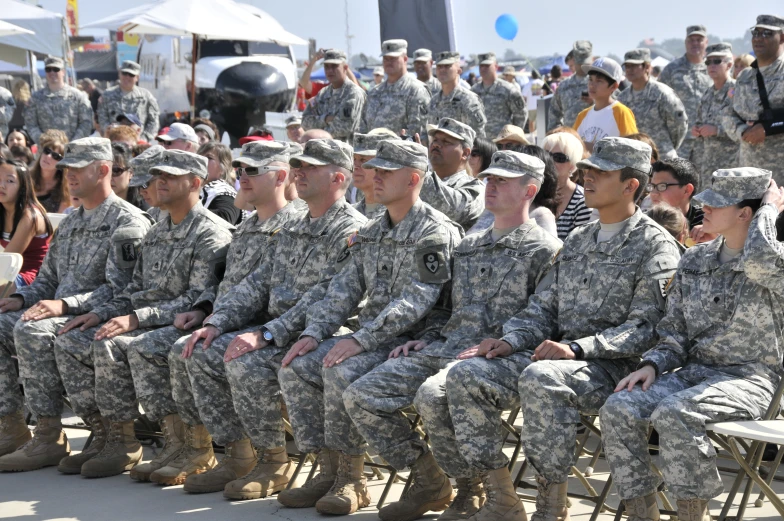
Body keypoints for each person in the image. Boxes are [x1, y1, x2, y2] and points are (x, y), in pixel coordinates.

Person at [442, 137, 680, 521]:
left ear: (630, 185)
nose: (587, 179)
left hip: (615, 367)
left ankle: (550, 507)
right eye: (587, 171)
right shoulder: (580, 240)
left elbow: (647, 327)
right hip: (560, 358)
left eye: (600, 173)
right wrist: (510, 339)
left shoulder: (655, 246)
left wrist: (579, 349)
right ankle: (501, 497)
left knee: (541, 377)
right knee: (468, 374)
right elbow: (543, 306)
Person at [345, 151, 562, 521]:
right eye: (489, 178)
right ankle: (432, 480)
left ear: (529, 190)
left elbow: (549, 317)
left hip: (504, 357)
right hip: (448, 348)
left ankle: (491, 495)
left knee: (432, 395)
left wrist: (509, 340)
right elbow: (446, 308)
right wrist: (428, 335)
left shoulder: (545, 249)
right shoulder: (468, 246)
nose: (490, 185)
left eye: (502, 181)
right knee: (362, 394)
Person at [276, 140, 461, 516]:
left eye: (384, 173)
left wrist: (360, 340)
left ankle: (404, 478)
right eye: (373, 170)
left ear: (412, 179)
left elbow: (418, 300)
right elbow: (340, 292)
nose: (373, 178)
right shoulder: (373, 231)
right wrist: (313, 333)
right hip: (377, 338)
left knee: (341, 371)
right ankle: (328, 470)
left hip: (420, 341)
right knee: (299, 365)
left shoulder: (434, 232)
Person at [172, 138, 365, 497]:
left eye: (310, 167)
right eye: (298, 166)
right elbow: (257, 284)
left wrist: (267, 334)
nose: (299, 172)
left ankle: (312, 468)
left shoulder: (352, 229)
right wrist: (217, 321)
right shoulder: (295, 224)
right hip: (280, 330)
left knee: (248, 362)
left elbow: (326, 297)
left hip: (326, 333)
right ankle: (242, 455)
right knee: (201, 349)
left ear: (338, 178)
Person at [600, 168, 784, 521]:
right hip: (696, 374)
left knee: (677, 413)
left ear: (746, 213)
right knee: (619, 406)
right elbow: (675, 332)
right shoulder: (696, 259)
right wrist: (651, 365)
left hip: (752, 379)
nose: (705, 210)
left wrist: (769, 210)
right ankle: (643, 512)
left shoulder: (773, 262)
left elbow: (760, 260)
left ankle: (691, 515)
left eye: (717, 205)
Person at [53, 149, 234, 479]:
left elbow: (197, 301)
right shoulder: (157, 230)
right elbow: (132, 292)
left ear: (195, 182)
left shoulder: (211, 233)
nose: (159, 182)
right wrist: (101, 314)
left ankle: (191, 447)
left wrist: (137, 319)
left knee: (139, 346)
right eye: (158, 176)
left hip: (182, 324)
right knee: (77, 336)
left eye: (170, 177)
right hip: (150, 320)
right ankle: (115, 437)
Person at [128, 143, 300, 488]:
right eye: (239, 168)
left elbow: (263, 292)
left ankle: (270, 460)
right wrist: (202, 310)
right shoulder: (249, 227)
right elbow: (223, 282)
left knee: (202, 352)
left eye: (252, 170)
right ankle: (212, 450)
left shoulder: (294, 226)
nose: (242, 177)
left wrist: (219, 322)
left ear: (280, 177)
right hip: (232, 322)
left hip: (271, 329)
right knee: (181, 348)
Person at [0, 137, 152, 470]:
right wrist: (20, 297)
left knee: (33, 332)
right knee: (3, 323)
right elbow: (47, 279)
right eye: (67, 169)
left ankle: (61, 433)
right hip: (62, 311)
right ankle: (12, 426)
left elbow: (122, 290)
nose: (68, 176)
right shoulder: (71, 222)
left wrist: (66, 305)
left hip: (102, 315)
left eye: (78, 169)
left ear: (103, 170)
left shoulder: (127, 223)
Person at [726, 15, 784, 184]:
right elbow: (727, 113)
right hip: (748, 172)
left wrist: (767, 128)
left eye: (766, 33)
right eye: (756, 32)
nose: (758, 38)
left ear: (781, 37)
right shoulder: (745, 76)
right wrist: (742, 131)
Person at [618, 48, 688, 159]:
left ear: (647, 67)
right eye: (627, 66)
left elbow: (679, 125)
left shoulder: (662, 93)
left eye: (634, 66)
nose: (629, 70)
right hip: (634, 158)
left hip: (662, 157)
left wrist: (667, 146)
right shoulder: (622, 98)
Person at [359, 39, 430, 141]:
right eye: (386, 58)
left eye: (393, 58)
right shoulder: (374, 92)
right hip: (372, 154)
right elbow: (363, 129)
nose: (388, 62)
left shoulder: (416, 91)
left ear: (405, 59)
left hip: (401, 155)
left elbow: (419, 135)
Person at [658, 26, 712, 160]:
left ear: (706, 42)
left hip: (707, 140)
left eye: (699, 40)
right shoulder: (672, 69)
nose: (695, 43)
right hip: (679, 140)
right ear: (685, 42)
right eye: (691, 40)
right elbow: (659, 102)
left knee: (706, 180)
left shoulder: (713, 68)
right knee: (678, 179)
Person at [424, 117, 486, 230]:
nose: (436, 145)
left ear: (465, 153)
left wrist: (419, 170)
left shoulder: (475, 187)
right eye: (435, 140)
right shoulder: (415, 178)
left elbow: (455, 210)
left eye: (446, 142)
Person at [0, 158, 52, 287]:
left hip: (33, 278)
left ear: (22, 187)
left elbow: (7, 261)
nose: (2, 185)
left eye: (10, 181)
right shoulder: (2, 210)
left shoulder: (29, 217)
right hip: (9, 274)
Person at [693, 43, 739, 186]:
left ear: (729, 65)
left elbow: (749, 127)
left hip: (732, 165)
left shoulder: (739, 90)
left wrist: (717, 130)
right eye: (708, 62)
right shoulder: (707, 94)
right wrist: (697, 129)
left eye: (717, 61)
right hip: (708, 165)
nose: (711, 65)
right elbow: (700, 120)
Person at [302, 49, 366, 144]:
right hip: (322, 153)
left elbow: (343, 127)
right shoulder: (323, 93)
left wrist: (317, 127)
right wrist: (326, 119)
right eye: (326, 66)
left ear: (345, 67)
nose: (330, 70)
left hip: (346, 155)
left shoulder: (353, 93)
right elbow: (304, 123)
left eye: (334, 66)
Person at [24, 57, 93, 144]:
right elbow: (31, 124)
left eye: (56, 69)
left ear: (63, 72)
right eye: (48, 69)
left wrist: (72, 144)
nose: (52, 72)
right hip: (46, 151)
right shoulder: (35, 98)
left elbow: (86, 123)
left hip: (72, 151)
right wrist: (45, 142)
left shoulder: (78, 96)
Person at [574, 58, 638, 150]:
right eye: (590, 79)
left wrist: (590, 147)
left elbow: (632, 149)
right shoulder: (582, 115)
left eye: (599, 81)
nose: (592, 85)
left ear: (614, 86)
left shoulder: (621, 112)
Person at [542, 131, 592, 239]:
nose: (550, 161)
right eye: (546, 155)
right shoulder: (532, 192)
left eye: (559, 158)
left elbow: (580, 245)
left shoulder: (582, 201)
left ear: (573, 165)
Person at [97, 60, 160, 142]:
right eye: (124, 73)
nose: (127, 77)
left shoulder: (146, 96)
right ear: (119, 74)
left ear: (137, 77)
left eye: (131, 75)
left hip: (138, 142)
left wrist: (144, 139)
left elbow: (153, 120)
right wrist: (110, 133)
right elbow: (102, 118)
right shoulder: (107, 95)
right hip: (115, 142)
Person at [428, 52, 487, 138]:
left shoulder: (469, 100)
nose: (442, 70)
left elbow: (478, 137)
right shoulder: (433, 101)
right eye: (439, 66)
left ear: (458, 70)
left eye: (447, 66)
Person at [472, 52, 528, 138]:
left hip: (502, 142)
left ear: (496, 67)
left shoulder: (508, 89)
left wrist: (513, 136)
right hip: (481, 143)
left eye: (487, 66)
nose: (483, 68)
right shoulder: (474, 91)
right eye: (481, 66)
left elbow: (521, 114)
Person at [352, 131, 400, 217]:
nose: (355, 166)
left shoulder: (396, 214)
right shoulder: (351, 212)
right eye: (354, 159)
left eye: (363, 160)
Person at [548, 41, 593, 130]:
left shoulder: (601, 82)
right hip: (570, 139)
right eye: (580, 63)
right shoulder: (564, 86)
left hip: (595, 139)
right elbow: (554, 113)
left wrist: (594, 102)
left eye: (585, 63)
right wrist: (557, 133)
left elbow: (614, 109)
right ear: (574, 60)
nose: (582, 66)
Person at [197, 142, 242, 224]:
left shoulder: (225, 192)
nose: (201, 160)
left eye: (209, 158)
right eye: (199, 156)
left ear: (223, 167)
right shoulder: (195, 189)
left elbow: (225, 218)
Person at [29, 130, 70, 213]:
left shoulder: (65, 188)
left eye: (55, 156)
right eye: (47, 151)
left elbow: (60, 220)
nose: (48, 156)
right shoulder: (26, 177)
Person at [129, 145, 167, 222]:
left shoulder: (183, 214)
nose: (141, 192)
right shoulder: (150, 214)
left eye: (144, 185)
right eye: (138, 186)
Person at [111, 142, 148, 211]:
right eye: (104, 171)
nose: (109, 177)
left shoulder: (144, 209)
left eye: (116, 170)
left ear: (131, 173)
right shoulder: (90, 205)